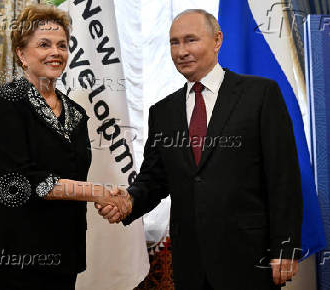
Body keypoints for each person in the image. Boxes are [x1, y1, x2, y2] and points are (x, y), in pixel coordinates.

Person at [97, 9, 303, 290]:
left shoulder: (260, 95)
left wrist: (286, 247)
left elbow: (284, 178)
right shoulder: (163, 112)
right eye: (174, 42)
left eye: (191, 40)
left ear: (217, 40)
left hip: (251, 260)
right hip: (191, 265)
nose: (181, 51)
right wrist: (129, 201)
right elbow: (154, 180)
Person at [0, 4, 130, 290]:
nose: (56, 52)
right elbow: (21, 181)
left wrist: (111, 200)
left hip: (62, 253)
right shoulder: (6, 102)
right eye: (44, 44)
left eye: (62, 45)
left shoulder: (76, 113)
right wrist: (99, 193)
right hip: (9, 254)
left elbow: (72, 176)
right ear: (21, 54)